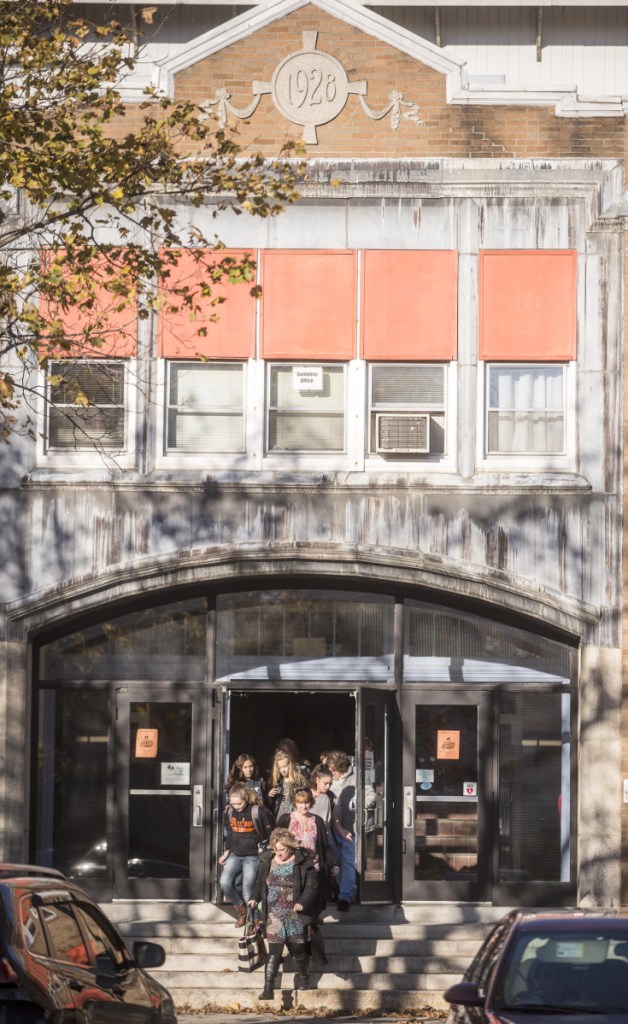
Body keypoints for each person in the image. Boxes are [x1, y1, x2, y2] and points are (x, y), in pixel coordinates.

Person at [249, 827, 319, 1000]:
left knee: (298, 949)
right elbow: (260, 883)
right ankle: (268, 988)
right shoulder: (267, 860)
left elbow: (312, 887)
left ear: (290, 846)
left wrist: (302, 903)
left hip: (294, 913)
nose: (279, 853)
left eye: (282, 850)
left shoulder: (303, 862)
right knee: (274, 951)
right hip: (273, 913)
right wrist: (254, 898)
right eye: (276, 850)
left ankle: (304, 978)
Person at [277, 786, 339, 966]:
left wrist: (334, 863)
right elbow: (275, 843)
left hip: (313, 870)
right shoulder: (285, 819)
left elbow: (324, 845)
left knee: (310, 914)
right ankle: (297, 949)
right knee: (292, 914)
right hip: (292, 872)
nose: (304, 807)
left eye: (306, 803)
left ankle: (315, 954)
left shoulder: (317, 820)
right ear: (294, 803)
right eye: (300, 803)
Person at [219, 782, 273, 928]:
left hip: (252, 856)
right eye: (233, 803)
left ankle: (254, 921)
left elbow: (269, 833)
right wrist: (226, 852)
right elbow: (229, 833)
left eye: (239, 803)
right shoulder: (229, 811)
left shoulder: (257, 811)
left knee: (248, 890)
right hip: (235, 854)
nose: (236, 806)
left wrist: (268, 852)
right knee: (224, 882)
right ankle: (241, 910)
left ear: (246, 798)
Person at [327, 750, 357, 912]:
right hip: (330, 826)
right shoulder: (328, 778)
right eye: (331, 771)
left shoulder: (355, 776)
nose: (333, 774)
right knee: (335, 861)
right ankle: (343, 889)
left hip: (349, 826)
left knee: (347, 861)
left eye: (335, 771)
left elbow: (370, 793)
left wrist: (358, 803)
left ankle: (345, 896)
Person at [267, 750, 308, 820]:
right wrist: (269, 796)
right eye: (280, 767)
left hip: (295, 818)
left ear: (290, 765)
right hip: (279, 819)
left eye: (285, 766)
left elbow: (306, 800)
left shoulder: (299, 780)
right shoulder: (275, 781)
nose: (283, 770)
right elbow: (269, 805)